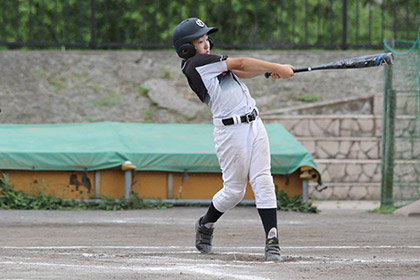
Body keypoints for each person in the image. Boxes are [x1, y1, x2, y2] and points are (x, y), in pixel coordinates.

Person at [172, 17, 294, 262]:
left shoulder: (210, 62)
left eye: (206, 39)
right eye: (199, 41)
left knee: (263, 180)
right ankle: (206, 224)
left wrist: (266, 71)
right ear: (186, 48)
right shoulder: (196, 64)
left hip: (254, 125)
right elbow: (240, 61)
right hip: (230, 133)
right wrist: (278, 66)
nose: (206, 44)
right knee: (234, 192)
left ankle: (273, 241)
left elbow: (238, 70)